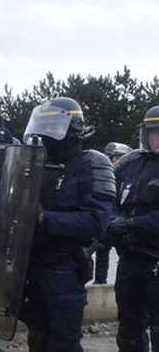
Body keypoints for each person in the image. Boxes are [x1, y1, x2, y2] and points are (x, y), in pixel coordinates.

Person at [18, 97, 114, 351]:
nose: (46, 133)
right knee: (37, 338)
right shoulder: (37, 165)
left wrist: (44, 219)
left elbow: (98, 220)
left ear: (73, 129)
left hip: (64, 268)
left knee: (64, 343)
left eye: (54, 127)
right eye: (43, 126)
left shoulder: (93, 164)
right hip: (32, 268)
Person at [106, 106, 159, 351]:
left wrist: (132, 223)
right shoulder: (131, 163)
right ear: (146, 134)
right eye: (155, 132)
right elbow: (108, 197)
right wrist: (113, 221)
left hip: (156, 258)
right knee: (128, 326)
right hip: (129, 257)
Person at [95, 142, 134, 285]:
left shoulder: (132, 178)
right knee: (101, 249)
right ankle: (99, 283)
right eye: (114, 157)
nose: (115, 160)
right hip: (109, 220)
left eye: (119, 157)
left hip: (124, 223)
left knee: (126, 256)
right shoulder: (109, 176)